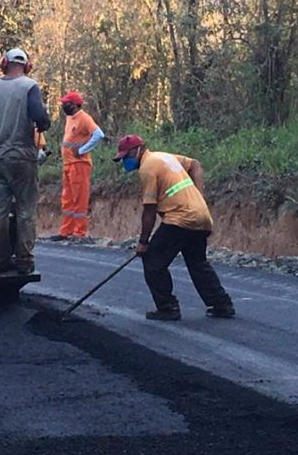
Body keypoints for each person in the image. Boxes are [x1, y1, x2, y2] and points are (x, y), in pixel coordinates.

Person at [114, 135, 235, 321]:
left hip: (180, 218)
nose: (125, 161)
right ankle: (222, 304)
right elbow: (195, 164)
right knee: (197, 262)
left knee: (153, 261)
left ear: (137, 150)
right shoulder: (165, 157)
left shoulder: (147, 168)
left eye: (126, 156)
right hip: (201, 215)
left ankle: (167, 307)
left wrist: (143, 242)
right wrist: (199, 197)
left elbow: (149, 210)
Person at [0, 48, 51, 275]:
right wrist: (43, 124)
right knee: (25, 211)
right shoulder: (29, 86)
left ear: (4, 63)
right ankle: (25, 261)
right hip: (23, 159)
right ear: (27, 65)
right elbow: (41, 118)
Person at [49, 90, 103, 240]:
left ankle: (79, 232)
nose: (64, 106)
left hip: (79, 165)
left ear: (75, 104)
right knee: (67, 199)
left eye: (67, 103)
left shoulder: (84, 118)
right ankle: (66, 231)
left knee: (79, 199)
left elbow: (99, 134)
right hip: (68, 164)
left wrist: (83, 150)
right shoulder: (69, 118)